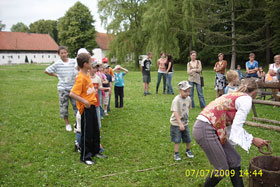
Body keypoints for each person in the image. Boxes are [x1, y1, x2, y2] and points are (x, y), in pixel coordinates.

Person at [193, 78, 269, 187]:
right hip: (206, 129)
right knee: (221, 169)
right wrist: (253, 140)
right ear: (255, 92)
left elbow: (230, 127)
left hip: (212, 129)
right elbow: (236, 129)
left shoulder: (235, 95)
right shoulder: (246, 100)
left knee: (235, 159)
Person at [70, 53, 107, 165]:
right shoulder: (80, 77)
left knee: (95, 130)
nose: (92, 64)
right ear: (85, 64)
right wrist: (84, 101)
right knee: (87, 133)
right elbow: (72, 93)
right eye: (90, 62)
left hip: (93, 106)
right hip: (86, 109)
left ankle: (95, 151)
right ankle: (85, 156)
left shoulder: (87, 75)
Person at [45, 46, 77, 131]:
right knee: (64, 106)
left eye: (65, 52)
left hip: (73, 88)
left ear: (67, 53)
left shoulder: (73, 62)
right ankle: (67, 124)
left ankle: (77, 122)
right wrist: (56, 75)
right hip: (63, 88)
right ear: (59, 54)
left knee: (76, 106)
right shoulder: (57, 63)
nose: (63, 54)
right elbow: (47, 70)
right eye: (61, 53)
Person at [170, 81, 194, 161]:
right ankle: (176, 153)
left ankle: (188, 150)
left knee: (188, 138)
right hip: (176, 123)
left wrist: (185, 121)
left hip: (185, 123)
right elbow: (175, 112)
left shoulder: (189, 99)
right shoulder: (176, 100)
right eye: (185, 91)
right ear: (180, 90)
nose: (187, 93)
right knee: (177, 139)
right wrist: (180, 124)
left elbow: (188, 109)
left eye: (188, 91)